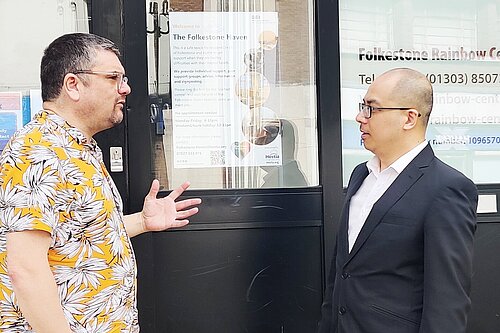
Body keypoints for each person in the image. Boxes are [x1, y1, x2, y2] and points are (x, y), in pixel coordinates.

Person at [0, 33, 201, 333]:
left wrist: (142, 222)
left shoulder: (78, 148)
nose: (126, 88)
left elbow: (77, 236)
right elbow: (25, 268)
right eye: (113, 77)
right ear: (73, 85)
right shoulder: (37, 150)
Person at [318, 68, 478, 333]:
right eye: (362, 107)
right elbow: (341, 274)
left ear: (409, 118)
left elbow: (448, 301)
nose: (360, 117)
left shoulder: (446, 188)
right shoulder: (361, 175)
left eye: (372, 108)